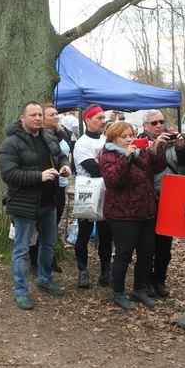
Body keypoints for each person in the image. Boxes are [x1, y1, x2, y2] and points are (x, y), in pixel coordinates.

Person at [0, 101, 71, 310]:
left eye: (40, 115)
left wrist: (65, 166)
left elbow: (61, 156)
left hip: (50, 203)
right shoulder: (11, 143)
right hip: (25, 205)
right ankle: (20, 291)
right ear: (22, 118)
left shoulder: (49, 137)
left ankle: (45, 279)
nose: (38, 118)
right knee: (21, 249)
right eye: (33, 115)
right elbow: (9, 175)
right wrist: (39, 176)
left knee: (48, 245)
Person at [100, 121, 167, 310]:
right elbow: (114, 180)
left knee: (147, 252)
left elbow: (158, 168)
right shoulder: (108, 156)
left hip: (145, 211)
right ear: (113, 138)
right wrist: (126, 158)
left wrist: (155, 152)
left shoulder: (141, 151)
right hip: (122, 213)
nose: (129, 139)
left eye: (131, 135)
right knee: (124, 254)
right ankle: (118, 292)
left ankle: (139, 289)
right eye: (124, 136)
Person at [137, 109, 185, 298]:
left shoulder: (172, 142)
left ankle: (160, 280)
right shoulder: (139, 143)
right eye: (154, 123)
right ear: (145, 126)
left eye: (161, 122)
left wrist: (181, 147)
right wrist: (155, 148)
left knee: (165, 245)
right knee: (146, 243)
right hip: (149, 197)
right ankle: (146, 281)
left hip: (170, 196)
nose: (159, 126)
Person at [72, 104, 113, 288]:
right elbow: (93, 168)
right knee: (84, 234)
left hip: (106, 192)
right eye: (99, 118)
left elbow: (109, 165)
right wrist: (106, 163)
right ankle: (83, 271)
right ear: (88, 120)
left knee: (106, 235)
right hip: (87, 192)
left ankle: (106, 272)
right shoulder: (82, 143)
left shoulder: (107, 140)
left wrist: (102, 162)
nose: (103, 121)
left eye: (104, 117)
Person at [29, 103, 70, 275]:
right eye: (51, 114)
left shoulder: (62, 134)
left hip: (59, 186)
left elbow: (63, 157)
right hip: (38, 190)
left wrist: (65, 166)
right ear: (43, 120)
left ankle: (48, 260)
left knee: (51, 228)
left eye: (56, 113)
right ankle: (35, 261)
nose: (56, 116)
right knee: (35, 231)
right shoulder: (33, 139)